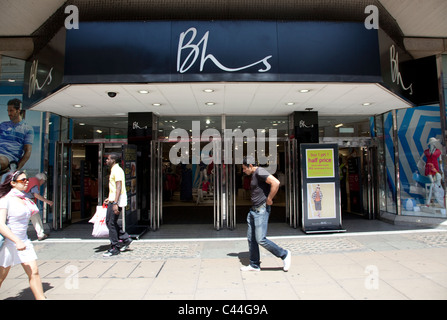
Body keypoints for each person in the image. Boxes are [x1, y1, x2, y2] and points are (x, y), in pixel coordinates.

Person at [240, 156, 291, 272]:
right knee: (251, 238)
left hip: (261, 210)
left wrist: (269, 199)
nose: (243, 171)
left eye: (244, 168)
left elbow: (276, 183)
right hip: (253, 210)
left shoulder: (260, 172)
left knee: (260, 239)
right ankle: (254, 264)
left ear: (251, 166)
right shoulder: (254, 173)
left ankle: (284, 254)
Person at [0, 171, 46, 299]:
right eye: (22, 180)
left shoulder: (24, 199)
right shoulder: (5, 200)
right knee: (1, 276)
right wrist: (16, 241)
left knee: (34, 272)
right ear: (13, 183)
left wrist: (21, 241)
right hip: (9, 243)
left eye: (26, 179)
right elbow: (1, 225)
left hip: (24, 241)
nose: (26, 182)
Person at [103, 153, 132, 257]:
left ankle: (115, 247)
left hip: (116, 201)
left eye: (108, 159)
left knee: (111, 223)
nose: (106, 161)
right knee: (110, 222)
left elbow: (119, 187)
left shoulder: (117, 170)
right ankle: (125, 238)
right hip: (113, 200)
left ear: (113, 160)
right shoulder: (114, 169)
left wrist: (115, 202)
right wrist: (109, 198)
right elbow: (114, 188)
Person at [0, 99, 34, 176]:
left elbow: (27, 152)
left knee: (2, 160)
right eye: (8, 111)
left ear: (18, 110)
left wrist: (16, 169)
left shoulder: (27, 129)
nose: (9, 113)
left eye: (11, 111)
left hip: (8, 159)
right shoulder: (2, 125)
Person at [25, 173, 52, 241]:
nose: (43, 183)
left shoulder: (31, 180)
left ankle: (41, 234)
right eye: (44, 181)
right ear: (42, 179)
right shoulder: (35, 182)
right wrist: (47, 201)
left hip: (25, 202)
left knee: (35, 217)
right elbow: (36, 195)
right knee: (34, 217)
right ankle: (40, 234)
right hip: (27, 202)